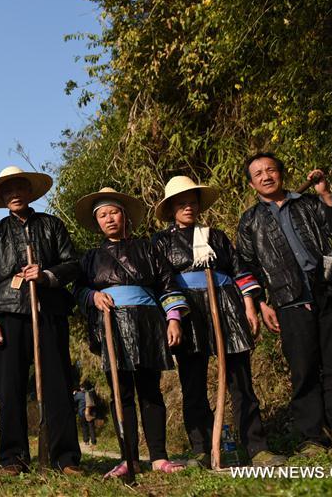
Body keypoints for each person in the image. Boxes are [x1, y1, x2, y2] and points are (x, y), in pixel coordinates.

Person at [152, 176, 284, 467]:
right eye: (181, 203)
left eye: (192, 202)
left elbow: (239, 269)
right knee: (193, 383)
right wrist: (172, 317)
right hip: (188, 309)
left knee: (241, 380)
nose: (188, 207)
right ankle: (202, 450)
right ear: (172, 208)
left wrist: (249, 306)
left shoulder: (216, 236)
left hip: (225, 304)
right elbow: (161, 281)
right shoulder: (161, 242)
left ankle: (257, 448)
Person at [237, 153, 332, 451]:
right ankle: (312, 435)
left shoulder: (308, 203)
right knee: (303, 369)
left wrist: (326, 194)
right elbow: (246, 267)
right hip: (288, 300)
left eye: (271, 170)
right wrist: (261, 303)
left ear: (281, 173)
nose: (266, 176)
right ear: (252, 184)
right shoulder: (250, 221)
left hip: (329, 289)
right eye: (258, 174)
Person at [73, 187, 187, 477]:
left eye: (113, 212)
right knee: (120, 393)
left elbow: (167, 284)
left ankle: (159, 457)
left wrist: (173, 318)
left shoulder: (149, 248)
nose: (109, 219)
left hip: (147, 324)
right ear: (97, 222)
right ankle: (129, 459)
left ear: (124, 215)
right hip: (111, 326)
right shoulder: (90, 258)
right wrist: (92, 297)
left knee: (150, 391)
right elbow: (78, 289)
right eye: (102, 215)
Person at [0, 166, 81, 475]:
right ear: (2, 197)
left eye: (20, 187)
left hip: (48, 312)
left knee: (58, 385)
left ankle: (65, 458)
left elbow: (72, 265)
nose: (15, 193)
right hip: (8, 313)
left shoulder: (51, 225)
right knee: (10, 388)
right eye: (8, 190)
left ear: (30, 192)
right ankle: (13, 457)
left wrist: (47, 275)